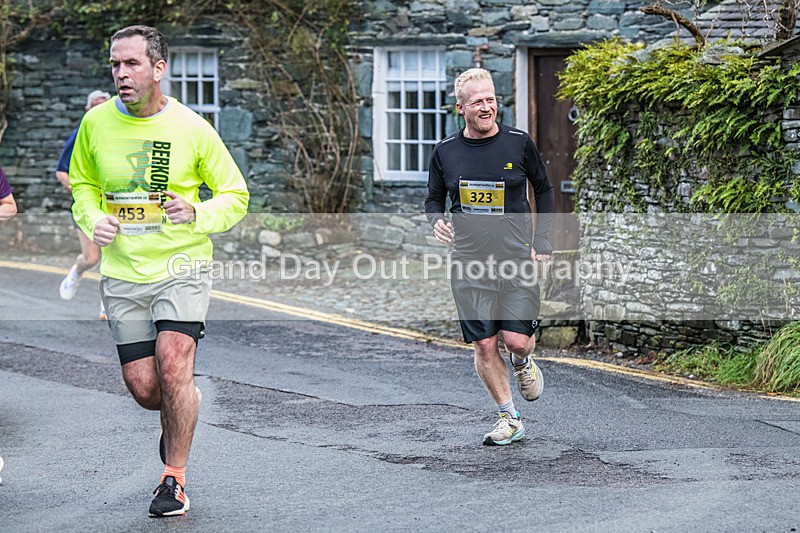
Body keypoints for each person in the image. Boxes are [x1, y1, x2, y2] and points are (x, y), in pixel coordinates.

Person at [69, 25, 249, 517]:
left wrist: (198, 213)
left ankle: (174, 479)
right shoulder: (96, 125)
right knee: (148, 389)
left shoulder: (191, 128)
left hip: (182, 266)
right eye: (115, 64)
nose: (121, 73)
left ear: (158, 69)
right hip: (125, 275)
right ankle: (176, 412)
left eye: (131, 64)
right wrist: (93, 218)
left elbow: (236, 195)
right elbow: (82, 186)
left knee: (174, 365)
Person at [425, 68, 554, 446]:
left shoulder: (518, 143)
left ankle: (523, 361)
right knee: (484, 344)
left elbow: (544, 189)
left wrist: (542, 239)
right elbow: (434, 199)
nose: (487, 107)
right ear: (461, 108)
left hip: (516, 259)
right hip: (468, 262)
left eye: (491, 99)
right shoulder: (445, 152)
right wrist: (436, 222)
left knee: (516, 341)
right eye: (478, 101)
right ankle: (509, 417)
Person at [57, 89, 111, 318]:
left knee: (114, 258)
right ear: (87, 110)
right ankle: (77, 272)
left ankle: (107, 305)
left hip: (114, 208)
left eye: (104, 107)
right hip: (88, 209)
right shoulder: (79, 135)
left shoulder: (119, 135)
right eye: (95, 107)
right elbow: (62, 172)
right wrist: (83, 193)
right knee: (92, 258)